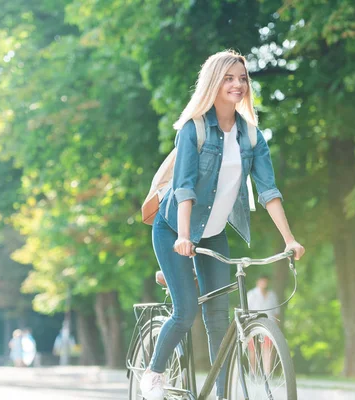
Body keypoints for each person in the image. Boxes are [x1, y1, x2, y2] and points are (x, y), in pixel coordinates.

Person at [140, 50, 305, 400]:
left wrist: (290, 239)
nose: (238, 84)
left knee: (218, 320)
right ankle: (153, 373)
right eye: (229, 78)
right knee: (186, 313)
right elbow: (183, 186)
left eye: (242, 78)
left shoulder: (252, 136)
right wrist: (183, 236)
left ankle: (221, 395)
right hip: (174, 229)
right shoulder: (194, 129)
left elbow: (269, 191)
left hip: (213, 235)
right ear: (214, 82)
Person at [246, 274, 279, 375]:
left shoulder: (272, 295)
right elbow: (247, 311)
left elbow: (276, 312)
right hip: (254, 325)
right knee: (253, 351)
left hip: (268, 326)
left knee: (267, 349)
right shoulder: (251, 294)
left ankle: (267, 372)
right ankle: (253, 372)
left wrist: (276, 327)